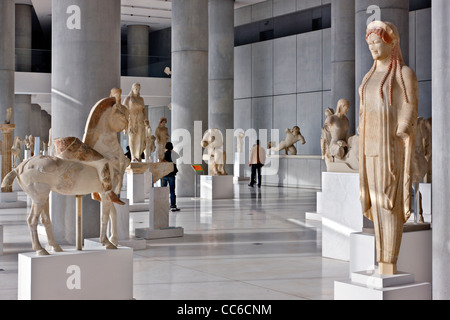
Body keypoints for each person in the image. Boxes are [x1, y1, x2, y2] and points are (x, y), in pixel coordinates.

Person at [358, 21, 418, 275]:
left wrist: (404, 124)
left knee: (389, 203)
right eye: (369, 43)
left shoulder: (402, 73)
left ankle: (389, 262)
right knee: (376, 200)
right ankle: (381, 260)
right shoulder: (368, 76)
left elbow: (410, 105)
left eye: (377, 42)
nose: (373, 46)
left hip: (389, 146)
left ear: (391, 43)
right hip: (369, 146)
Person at [161, 142, 180, 212]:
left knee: (163, 191)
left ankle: (163, 205)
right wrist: (172, 150)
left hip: (164, 175)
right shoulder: (173, 154)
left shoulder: (164, 154)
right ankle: (173, 206)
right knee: (172, 191)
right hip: (171, 175)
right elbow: (178, 156)